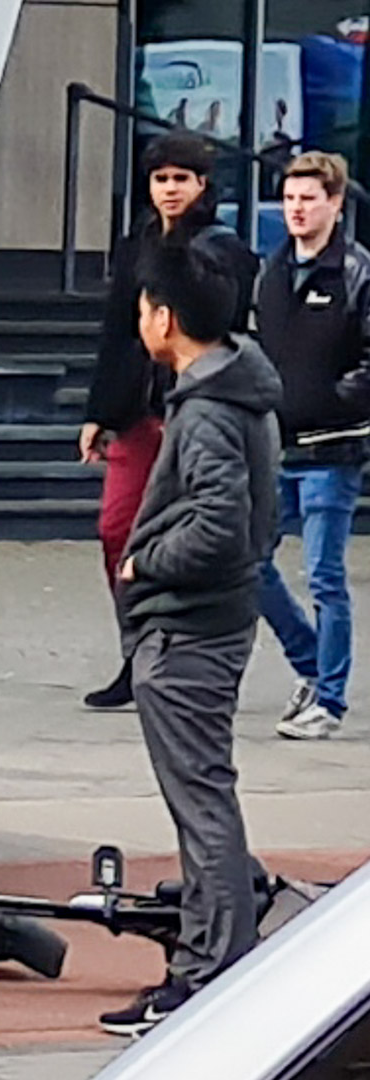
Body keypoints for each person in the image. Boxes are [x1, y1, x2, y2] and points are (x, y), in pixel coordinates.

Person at [101, 239, 280, 1036]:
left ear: (164, 319)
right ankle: (220, 934)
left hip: (189, 631)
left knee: (200, 800)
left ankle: (211, 969)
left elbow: (219, 527)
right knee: (205, 795)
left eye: (144, 308)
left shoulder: (206, 411)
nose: (140, 319)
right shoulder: (237, 389)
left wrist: (145, 564)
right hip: (214, 622)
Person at [79, 133, 258, 711]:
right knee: (116, 530)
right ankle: (136, 649)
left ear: (203, 186)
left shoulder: (222, 248)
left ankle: (173, 651)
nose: (170, 189)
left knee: (180, 538)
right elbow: (116, 330)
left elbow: (221, 326)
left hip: (192, 411)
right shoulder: (138, 243)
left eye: (182, 179)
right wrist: (98, 412)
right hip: (135, 411)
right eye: (161, 179)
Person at [252, 152, 370, 741]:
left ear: (335, 204)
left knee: (324, 575)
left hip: (333, 448)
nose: (297, 209)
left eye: (308, 199)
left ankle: (330, 699)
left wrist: (336, 398)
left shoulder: (357, 271)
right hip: (276, 444)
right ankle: (309, 665)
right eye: (290, 199)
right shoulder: (270, 271)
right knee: (251, 563)